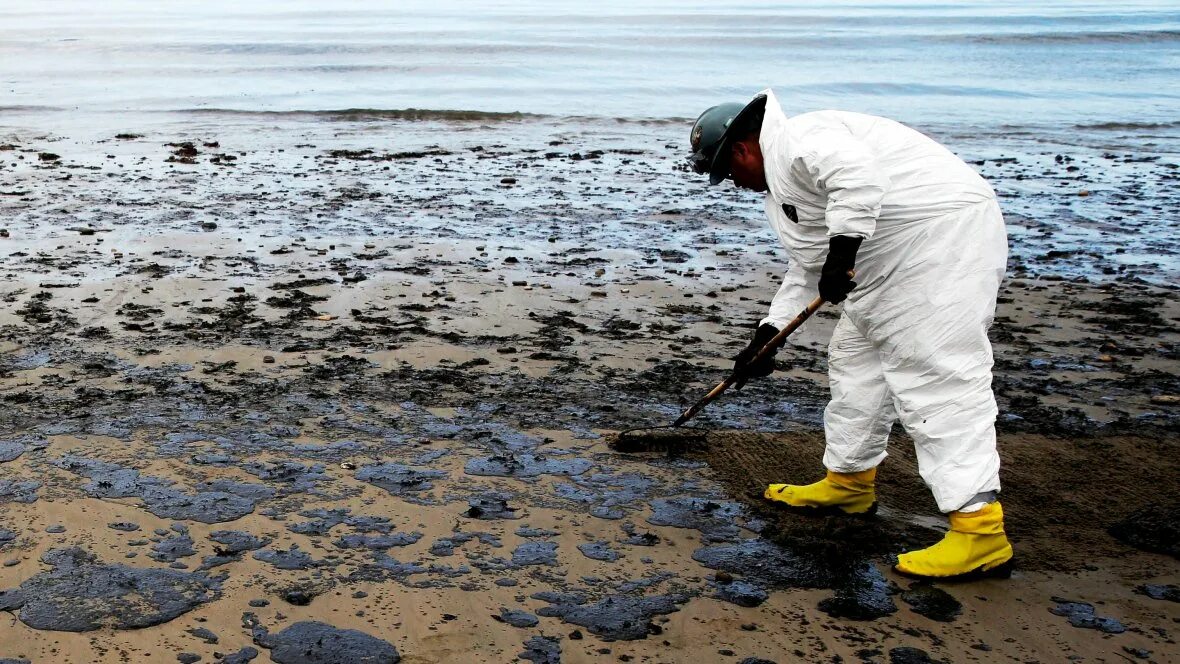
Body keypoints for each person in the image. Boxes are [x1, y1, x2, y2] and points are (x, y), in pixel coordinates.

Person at [688, 90, 1013, 580]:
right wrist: (767, 337)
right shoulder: (783, 190)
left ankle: (979, 532)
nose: (733, 183)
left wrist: (843, 252)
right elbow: (806, 269)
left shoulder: (803, 138)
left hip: (939, 241)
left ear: (740, 149)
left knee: (934, 377)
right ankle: (850, 481)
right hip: (885, 258)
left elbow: (858, 180)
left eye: (728, 172)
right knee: (854, 360)